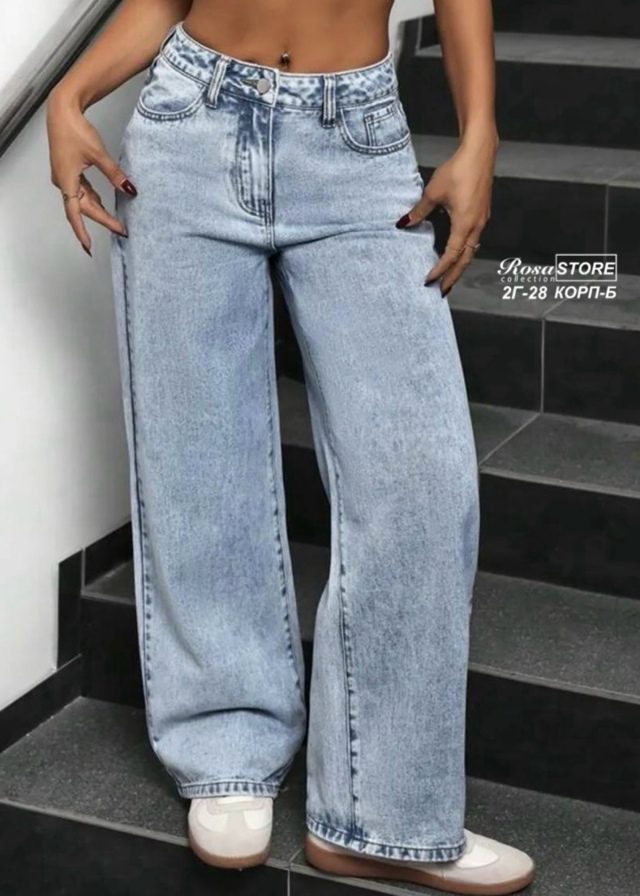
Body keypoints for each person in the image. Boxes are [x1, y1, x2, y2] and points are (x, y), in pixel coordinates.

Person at [46, 0, 535, 892]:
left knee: (422, 480)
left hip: (355, 143)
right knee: (200, 462)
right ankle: (226, 749)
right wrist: (67, 96)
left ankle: (381, 813)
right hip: (188, 129)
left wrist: (480, 135)